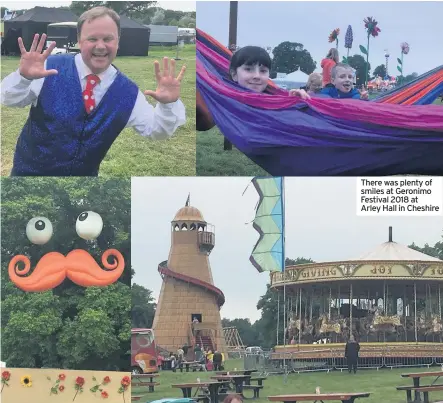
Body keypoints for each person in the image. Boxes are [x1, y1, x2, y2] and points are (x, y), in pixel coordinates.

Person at [1, 6, 186, 176]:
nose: (100, 46)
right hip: (28, 177)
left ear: (118, 41)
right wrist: (23, 77)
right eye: (92, 39)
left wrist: (168, 105)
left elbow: (157, 131)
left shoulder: (127, 92)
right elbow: (8, 99)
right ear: (79, 41)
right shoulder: (49, 68)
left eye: (108, 39)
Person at [229, 46, 309, 99]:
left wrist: (296, 102)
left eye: (263, 71)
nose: (257, 76)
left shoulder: (276, 104)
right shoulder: (221, 105)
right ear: (234, 75)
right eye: (248, 69)